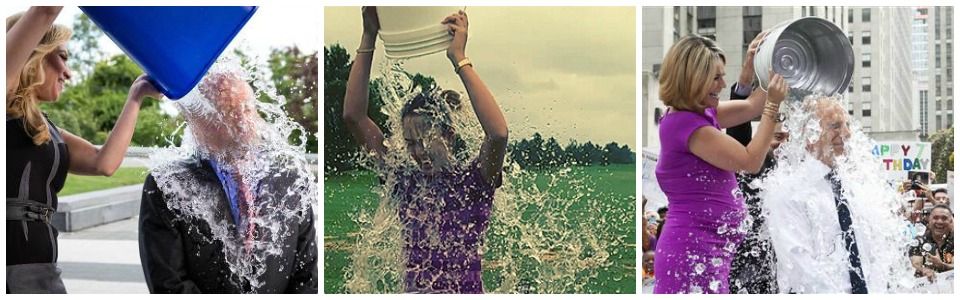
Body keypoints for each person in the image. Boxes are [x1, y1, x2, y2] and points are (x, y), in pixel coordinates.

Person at [342, 8, 508, 293]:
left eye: (426, 139)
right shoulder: (404, 181)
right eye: (410, 142)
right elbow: (354, 117)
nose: (418, 152)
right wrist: (368, 35)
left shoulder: (474, 181)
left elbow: (498, 133)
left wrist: (459, 57)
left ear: (449, 134)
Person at [7, 7, 160, 293]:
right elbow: (46, 9)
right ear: (34, 53)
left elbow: (104, 163)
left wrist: (136, 96)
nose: (68, 72)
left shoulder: (45, 128)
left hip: (42, 269)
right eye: (61, 56)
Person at [138, 72, 318, 293]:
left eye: (247, 109)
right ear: (200, 123)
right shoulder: (168, 186)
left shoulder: (289, 180)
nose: (244, 123)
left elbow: (307, 275)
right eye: (231, 114)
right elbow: (169, 285)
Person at [653, 33, 787, 294]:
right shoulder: (687, 126)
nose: (723, 84)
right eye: (716, 78)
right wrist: (772, 105)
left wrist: (758, 66)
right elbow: (750, 161)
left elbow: (750, 105)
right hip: (692, 257)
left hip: (710, 255)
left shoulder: (701, 114)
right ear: (693, 80)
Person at [762, 98, 915, 293]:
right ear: (810, 134)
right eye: (835, 126)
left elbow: (873, 256)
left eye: (847, 125)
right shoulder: (787, 191)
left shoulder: (855, 185)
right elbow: (801, 269)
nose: (847, 134)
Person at [910, 205, 954, 282]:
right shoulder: (919, 241)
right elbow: (915, 264)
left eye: (944, 218)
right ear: (929, 221)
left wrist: (943, 266)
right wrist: (924, 270)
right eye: (935, 218)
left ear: (951, 222)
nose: (939, 221)